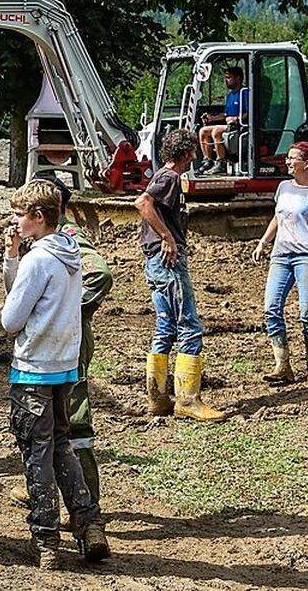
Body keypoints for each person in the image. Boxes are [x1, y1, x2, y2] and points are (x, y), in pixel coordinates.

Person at [2, 179, 109, 569]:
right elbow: (26, 294)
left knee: (37, 454)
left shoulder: (38, 260)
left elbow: (11, 319)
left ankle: (46, 541)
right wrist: (12, 254)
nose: (14, 220)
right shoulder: (71, 253)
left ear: (38, 216)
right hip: (65, 366)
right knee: (63, 445)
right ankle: (88, 524)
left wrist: (19, 262)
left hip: (34, 369)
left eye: (19, 214)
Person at [135, 129, 224, 421]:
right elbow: (143, 203)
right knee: (189, 325)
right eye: (194, 152)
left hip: (156, 259)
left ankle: (158, 399)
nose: (196, 156)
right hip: (168, 259)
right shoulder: (169, 177)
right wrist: (167, 237)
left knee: (166, 326)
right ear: (186, 153)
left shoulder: (163, 175)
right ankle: (187, 400)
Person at [253, 141, 308, 385]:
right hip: (281, 255)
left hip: (307, 256)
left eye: (292, 158)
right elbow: (278, 218)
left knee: (307, 312)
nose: (287, 162)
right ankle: (282, 365)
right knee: (271, 307)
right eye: (288, 158)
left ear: (307, 164)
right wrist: (263, 242)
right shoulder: (283, 188)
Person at [197, 66, 249, 176]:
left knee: (216, 131)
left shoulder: (245, 93)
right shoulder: (230, 95)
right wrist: (212, 118)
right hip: (228, 125)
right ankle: (208, 160)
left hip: (240, 126)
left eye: (229, 78)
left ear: (238, 78)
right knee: (203, 131)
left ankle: (221, 162)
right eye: (226, 78)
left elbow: (250, 112)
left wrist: (237, 119)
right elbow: (226, 114)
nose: (226, 80)